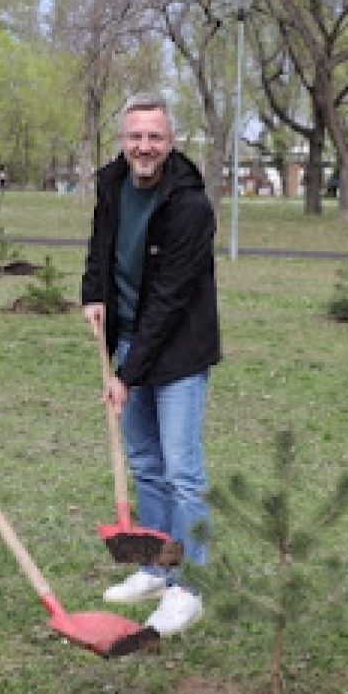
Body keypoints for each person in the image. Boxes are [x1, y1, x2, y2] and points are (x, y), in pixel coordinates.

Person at [81, 91, 221, 636]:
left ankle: (193, 586)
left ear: (170, 141)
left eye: (155, 137)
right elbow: (99, 245)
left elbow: (169, 300)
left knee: (183, 470)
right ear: (124, 139)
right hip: (128, 342)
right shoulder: (112, 181)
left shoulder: (190, 206)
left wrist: (127, 376)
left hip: (178, 349)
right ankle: (157, 567)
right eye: (135, 136)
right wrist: (93, 293)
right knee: (144, 462)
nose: (144, 146)